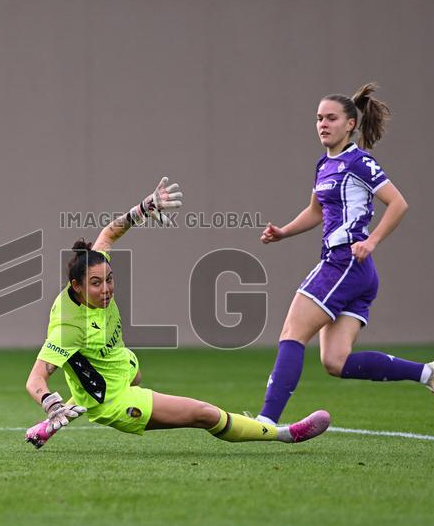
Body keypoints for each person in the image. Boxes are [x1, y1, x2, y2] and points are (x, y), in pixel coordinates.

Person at [23, 177, 331, 449]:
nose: (106, 289)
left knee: (133, 371)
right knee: (204, 414)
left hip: (117, 363)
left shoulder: (94, 263)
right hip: (115, 401)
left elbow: (109, 233)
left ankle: (50, 429)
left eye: (109, 279)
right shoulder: (68, 327)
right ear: (75, 286)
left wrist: (143, 208)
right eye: (95, 284)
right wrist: (51, 403)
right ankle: (283, 434)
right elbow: (35, 378)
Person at [254, 83, 434, 426]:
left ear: (350, 124)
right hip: (355, 271)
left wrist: (371, 241)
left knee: (291, 333)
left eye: (331, 118)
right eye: (318, 118)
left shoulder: (359, 161)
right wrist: (283, 232)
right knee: (335, 362)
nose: (322, 124)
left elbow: (398, 203)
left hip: (344, 263)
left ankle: (266, 420)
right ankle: (426, 373)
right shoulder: (323, 165)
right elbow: (315, 212)